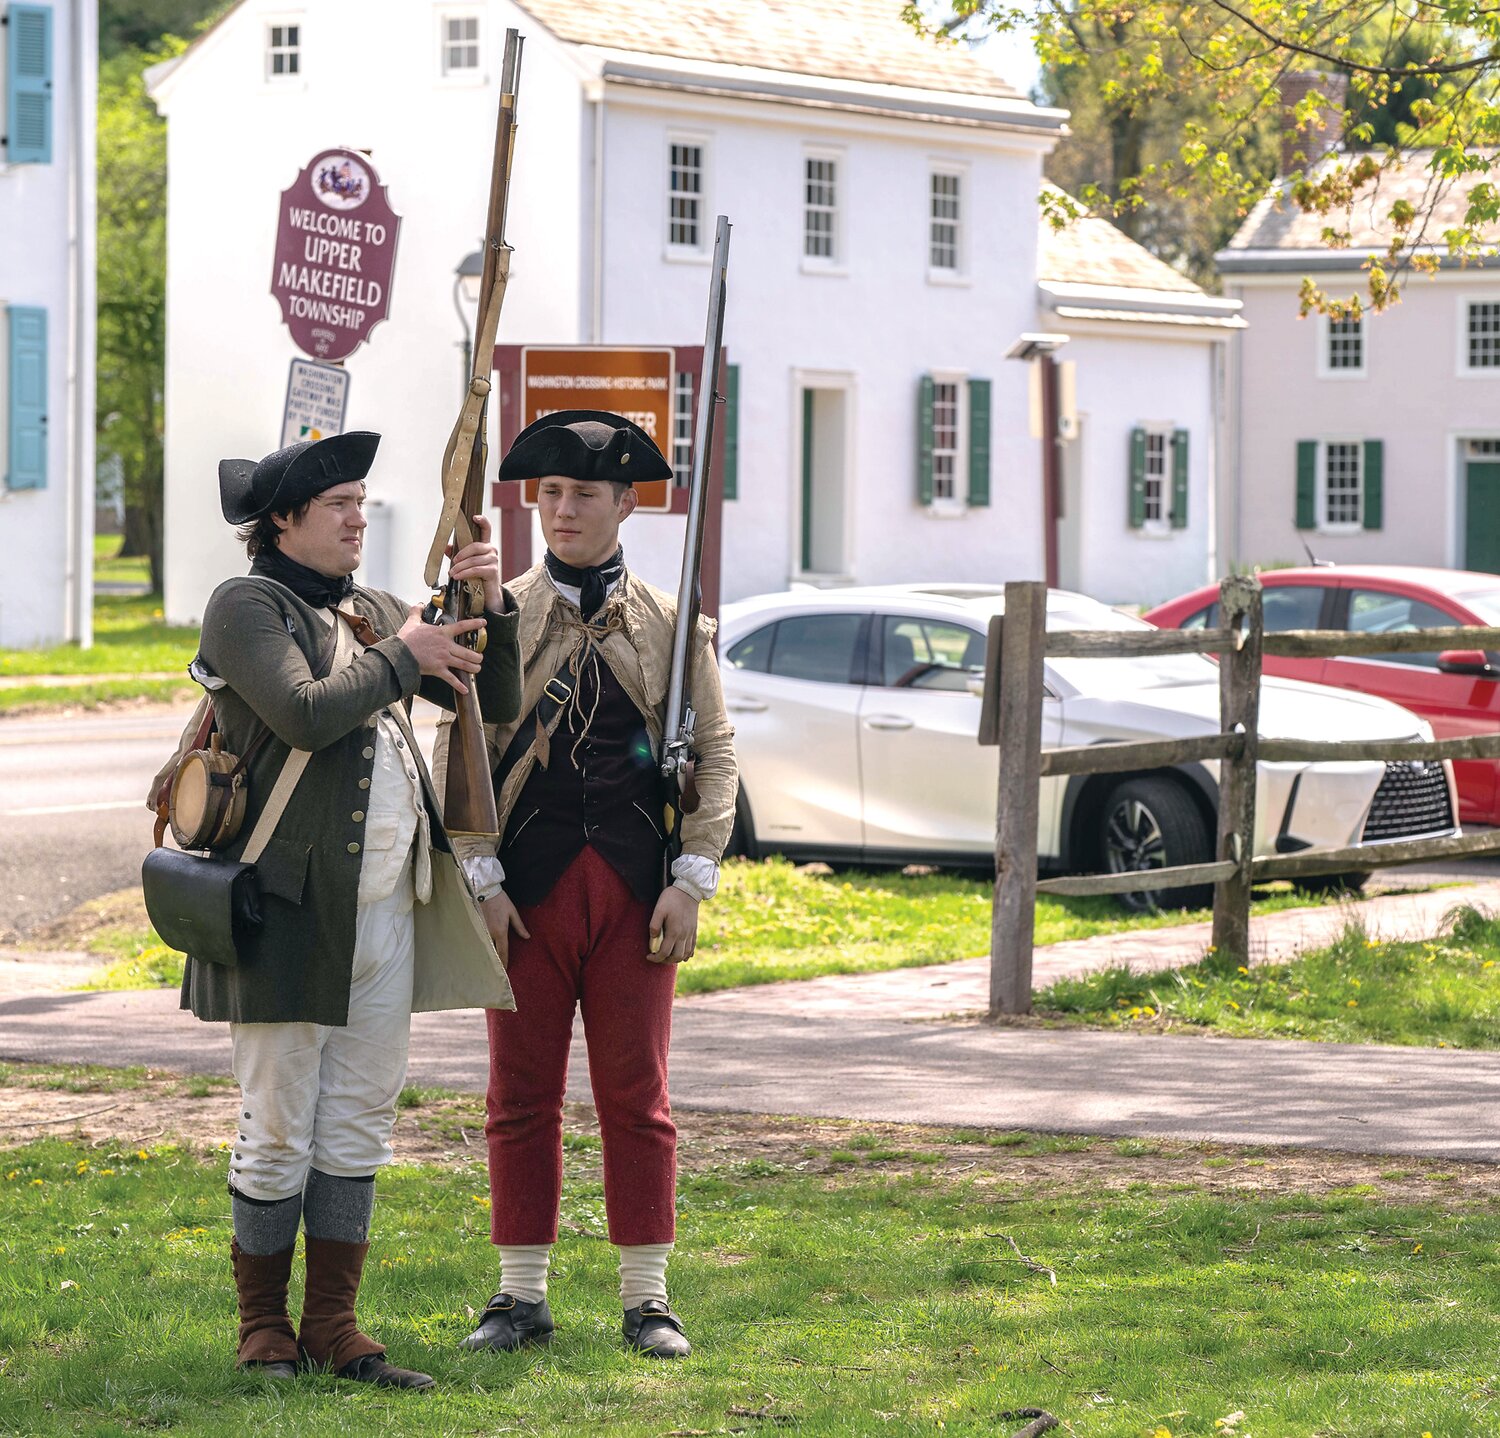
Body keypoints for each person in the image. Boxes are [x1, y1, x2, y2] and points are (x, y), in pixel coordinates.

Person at [186, 430, 521, 1389]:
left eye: (363, 502)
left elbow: (485, 697)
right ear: (282, 520)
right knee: (279, 1121)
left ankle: (334, 1323)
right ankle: (264, 1328)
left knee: (360, 1123)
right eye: (338, 504)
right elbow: (303, 711)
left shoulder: (375, 609)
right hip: (285, 909)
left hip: (387, 905)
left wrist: (482, 604)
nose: (357, 519)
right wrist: (404, 654)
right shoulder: (245, 605)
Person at [450, 410, 738, 1360]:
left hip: (632, 890)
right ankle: (518, 1296)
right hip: (524, 896)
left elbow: (716, 752)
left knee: (636, 1093)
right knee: (519, 1094)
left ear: (625, 502)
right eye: (550, 494)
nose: (563, 510)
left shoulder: (669, 623)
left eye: (584, 494)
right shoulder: (496, 619)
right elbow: (469, 757)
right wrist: (481, 882)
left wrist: (691, 878)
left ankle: (647, 1300)